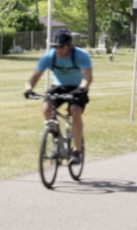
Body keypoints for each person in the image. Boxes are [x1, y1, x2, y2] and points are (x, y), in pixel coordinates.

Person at [24, 30, 93, 165]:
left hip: (78, 87)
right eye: (55, 47)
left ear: (69, 46)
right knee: (46, 108)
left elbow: (88, 77)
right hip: (59, 86)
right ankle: (56, 138)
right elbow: (34, 77)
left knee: (75, 111)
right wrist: (29, 89)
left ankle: (77, 151)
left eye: (61, 47)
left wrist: (81, 89)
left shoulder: (80, 56)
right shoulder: (49, 57)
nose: (58, 50)